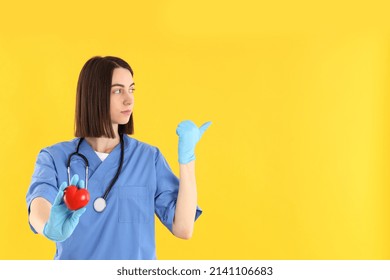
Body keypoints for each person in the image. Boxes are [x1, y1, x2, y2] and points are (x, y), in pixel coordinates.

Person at [26, 55, 211, 260]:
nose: (129, 99)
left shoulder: (148, 158)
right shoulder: (54, 158)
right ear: (94, 95)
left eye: (131, 89)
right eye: (117, 90)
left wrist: (187, 160)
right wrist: (49, 227)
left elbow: (183, 228)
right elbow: (39, 203)